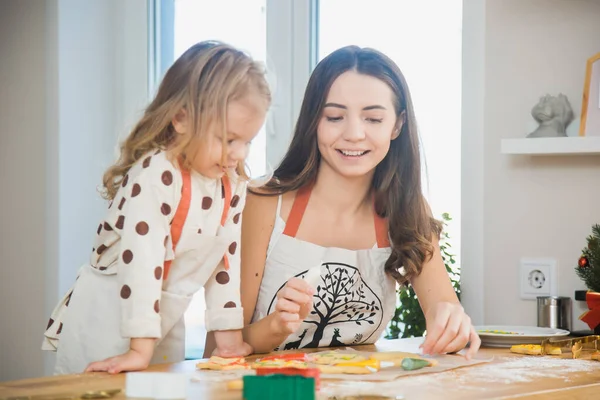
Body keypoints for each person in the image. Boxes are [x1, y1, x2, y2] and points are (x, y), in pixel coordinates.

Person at [205, 45, 480, 358]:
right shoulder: (262, 203)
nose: (354, 134)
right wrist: (275, 326)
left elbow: (445, 319)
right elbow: (216, 351)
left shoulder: (406, 209)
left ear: (398, 125)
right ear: (314, 121)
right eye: (335, 116)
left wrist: (452, 324)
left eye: (373, 119)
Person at [42, 41, 271, 375]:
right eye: (228, 139)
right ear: (181, 119)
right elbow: (143, 261)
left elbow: (225, 262)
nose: (239, 154)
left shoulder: (231, 184)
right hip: (110, 317)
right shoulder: (156, 175)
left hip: (163, 321)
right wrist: (138, 349)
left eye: (248, 141)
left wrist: (229, 338)